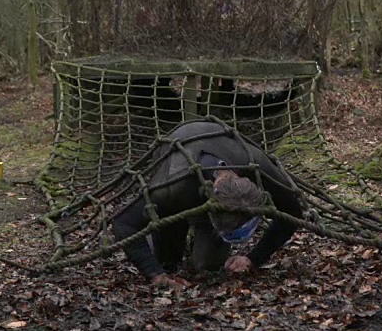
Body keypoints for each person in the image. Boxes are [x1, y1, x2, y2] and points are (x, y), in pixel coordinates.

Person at [112, 119, 304, 288]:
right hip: (179, 164)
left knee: (210, 264)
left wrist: (254, 258)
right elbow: (123, 223)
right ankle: (167, 239)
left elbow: (293, 212)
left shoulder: (258, 167)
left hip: (218, 149)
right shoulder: (172, 187)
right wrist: (155, 274)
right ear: (211, 213)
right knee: (168, 261)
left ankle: (201, 242)